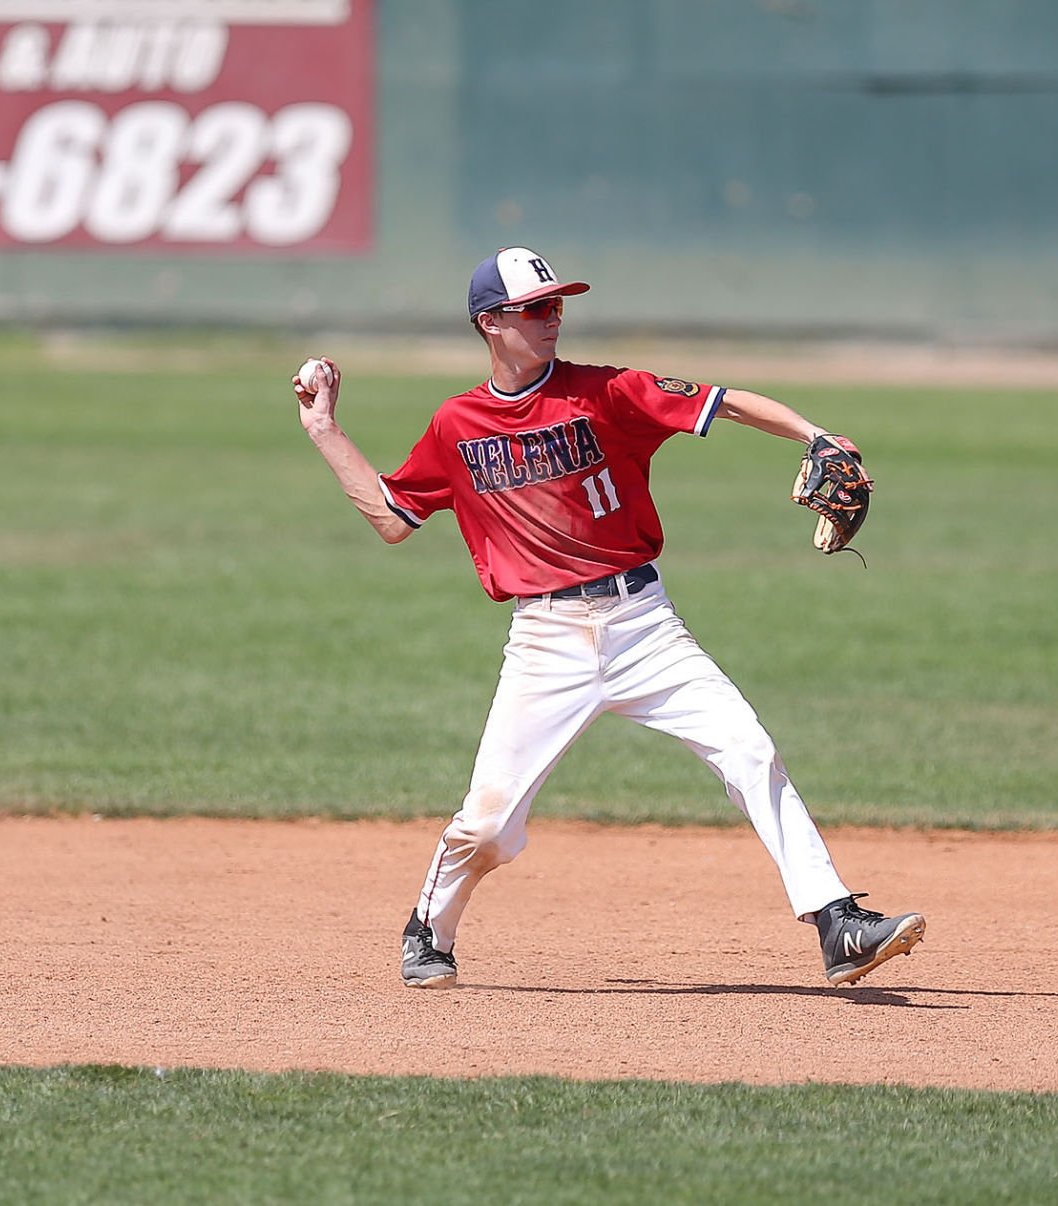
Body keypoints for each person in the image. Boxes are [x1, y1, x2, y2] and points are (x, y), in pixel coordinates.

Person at [290, 246, 924, 988]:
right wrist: (324, 430)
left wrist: (816, 436)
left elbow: (727, 400)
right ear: (491, 323)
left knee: (749, 751)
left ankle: (836, 923)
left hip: (645, 625)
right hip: (545, 641)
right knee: (490, 824)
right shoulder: (457, 425)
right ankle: (429, 927)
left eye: (558, 304)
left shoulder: (609, 391)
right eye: (536, 307)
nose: (553, 317)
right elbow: (395, 517)